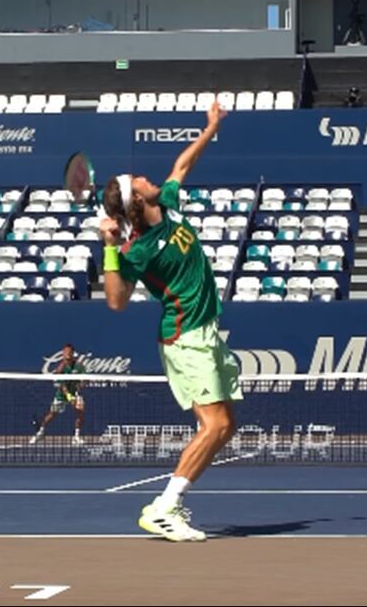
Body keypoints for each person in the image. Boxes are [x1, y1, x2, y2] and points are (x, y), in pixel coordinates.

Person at [99, 100, 242, 542]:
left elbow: (182, 164)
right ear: (136, 199)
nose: (147, 176)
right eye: (137, 180)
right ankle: (164, 507)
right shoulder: (138, 249)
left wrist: (211, 127)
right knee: (216, 426)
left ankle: (169, 505)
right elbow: (117, 302)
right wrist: (109, 246)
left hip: (206, 333)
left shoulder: (172, 203)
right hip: (184, 338)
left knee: (223, 426)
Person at [30, 343, 86, 446]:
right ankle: (41, 432)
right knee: (52, 414)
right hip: (62, 395)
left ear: (73, 353)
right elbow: (62, 385)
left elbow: (84, 380)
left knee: (81, 412)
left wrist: (79, 387)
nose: (67, 354)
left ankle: (76, 437)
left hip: (74, 393)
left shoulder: (79, 366)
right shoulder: (61, 368)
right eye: (65, 352)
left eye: (69, 352)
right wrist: (69, 397)